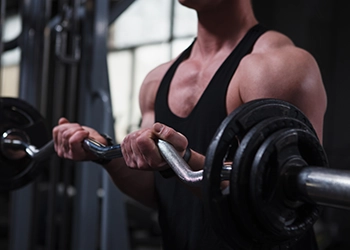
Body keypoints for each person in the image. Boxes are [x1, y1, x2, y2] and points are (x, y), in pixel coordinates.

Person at [53, 0, 327, 249]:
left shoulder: (277, 68)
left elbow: (272, 198)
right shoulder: (156, 80)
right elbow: (156, 189)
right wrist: (104, 153)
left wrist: (184, 159)